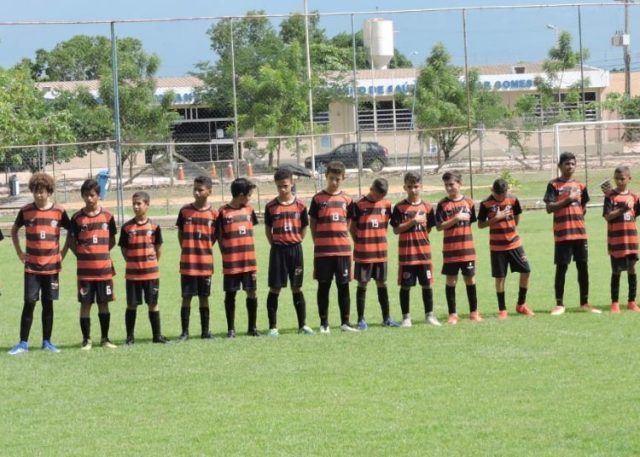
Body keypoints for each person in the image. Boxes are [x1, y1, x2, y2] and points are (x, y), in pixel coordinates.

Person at [8, 172, 70, 355]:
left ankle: (47, 342)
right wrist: (20, 252)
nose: (38, 195)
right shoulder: (26, 211)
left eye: (42, 191)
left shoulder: (59, 211)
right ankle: (23, 343)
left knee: (48, 303)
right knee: (29, 302)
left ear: (49, 191)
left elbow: (71, 233)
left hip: (51, 267)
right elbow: (13, 231)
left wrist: (62, 254)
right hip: (32, 267)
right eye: (35, 191)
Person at [544, 152, 600, 315]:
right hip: (563, 234)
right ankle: (559, 304)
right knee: (562, 268)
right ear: (560, 166)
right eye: (567, 164)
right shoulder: (553, 185)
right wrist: (568, 200)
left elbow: (583, 208)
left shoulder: (581, 186)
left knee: (583, 267)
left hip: (580, 234)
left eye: (573, 164)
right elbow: (549, 208)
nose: (570, 166)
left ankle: (584, 302)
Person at [309, 160, 358, 333]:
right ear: (326, 177)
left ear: (343, 178)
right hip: (323, 252)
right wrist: (319, 243)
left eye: (337, 179)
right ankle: (324, 324)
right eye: (331, 178)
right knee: (324, 286)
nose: (334, 182)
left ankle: (345, 323)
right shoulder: (317, 199)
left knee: (343, 285)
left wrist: (341, 239)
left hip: (343, 251)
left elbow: (348, 223)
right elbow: (313, 224)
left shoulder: (348, 199)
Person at [69, 179, 118, 350]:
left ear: (98, 196)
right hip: (85, 271)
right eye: (86, 195)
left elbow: (111, 241)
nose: (89, 199)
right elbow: (71, 242)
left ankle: (105, 339)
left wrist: (101, 252)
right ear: (82, 196)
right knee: (86, 304)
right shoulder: (76, 218)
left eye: (92, 195)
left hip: (104, 270)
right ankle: (86, 340)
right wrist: (83, 255)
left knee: (103, 303)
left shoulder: (108, 216)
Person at [264, 168, 314, 336]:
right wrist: (276, 244)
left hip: (295, 250)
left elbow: (305, 226)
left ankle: (302, 325)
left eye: (285, 185)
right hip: (278, 251)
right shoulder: (270, 206)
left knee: (296, 287)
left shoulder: (300, 206)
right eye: (279, 186)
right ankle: (273, 327)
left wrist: (297, 240)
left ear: (292, 183)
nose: (282, 189)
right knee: (275, 288)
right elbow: (267, 230)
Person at [478, 178, 534, 319]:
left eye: (503, 194)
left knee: (526, 270)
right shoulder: (485, 203)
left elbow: (516, 218)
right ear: (492, 191)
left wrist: (511, 230)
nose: (501, 197)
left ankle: (521, 304)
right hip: (497, 247)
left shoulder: (513, 200)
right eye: (498, 194)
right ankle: (502, 309)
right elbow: (480, 225)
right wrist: (496, 219)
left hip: (514, 243)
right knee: (500, 277)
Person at [119, 191, 169, 345]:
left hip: (150, 273)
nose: (135, 206)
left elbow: (158, 247)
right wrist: (133, 262)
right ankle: (129, 337)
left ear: (147, 205)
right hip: (133, 274)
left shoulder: (154, 226)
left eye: (139, 203)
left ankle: (157, 336)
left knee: (153, 303)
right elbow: (124, 249)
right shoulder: (127, 227)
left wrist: (152, 264)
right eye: (133, 203)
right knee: (131, 304)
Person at [390, 172, 439, 327]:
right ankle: (406, 318)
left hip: (423, 254)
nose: (413, 190)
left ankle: (429, 316)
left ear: (421, 187)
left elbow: (428, 229)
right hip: (407, 255)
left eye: (416, 186)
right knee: (405, 286)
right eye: (410, 187)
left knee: (427, 284)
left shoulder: (428, 207)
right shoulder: (399, 207)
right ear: (405, 187)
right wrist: (412, 222)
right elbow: (396, 230)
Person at [351, 177, 399, 330]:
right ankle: (360, 320)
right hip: (364, 252)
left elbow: (387, 225)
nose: (380, 198)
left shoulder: (386, 205)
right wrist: (360, 241)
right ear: (371, 189)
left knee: (382, 283)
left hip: (380, 252)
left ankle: (386, 318)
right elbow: (352, 227)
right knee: (362, 283)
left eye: (382, 196)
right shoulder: (359, 205)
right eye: (378, 195)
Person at [176, 176, 218, 341]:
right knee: (186, 297)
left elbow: (214, 237)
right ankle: (185, 332)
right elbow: (181, 234)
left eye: (200, 189)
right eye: (195, 189)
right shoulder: (185, 211)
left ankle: (205, 332)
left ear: (209, 191)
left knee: (204, 297)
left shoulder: (214, 213)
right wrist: (188, 248)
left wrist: (204, 248)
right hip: (188, 263)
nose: (196, 192)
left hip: (205, 263)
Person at [217, 178, 260, 338]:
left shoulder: (249, 210)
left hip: (249, 261)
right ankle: (231, 329)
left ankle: (252, 328)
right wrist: (226, 255)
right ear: (241, 195)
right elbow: (220, 238)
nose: (250, 198)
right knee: (230, 294)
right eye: (249, 195)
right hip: (231, 263)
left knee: (252, 293)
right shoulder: (222, 212)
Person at [436, 170, 480, 324]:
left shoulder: (469, 202)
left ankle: (474, 312)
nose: (449, 188)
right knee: (451, 281)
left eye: (451, 184)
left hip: (467, 249)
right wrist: (456, 218)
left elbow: (472, 221)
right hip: (450, 250)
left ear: (460, 184)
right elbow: (439, 227)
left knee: (470, 279)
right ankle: (452, 314)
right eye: (446, 185)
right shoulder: (442, 204)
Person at [602, 166, 640, 313]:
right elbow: (607, 216)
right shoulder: (610, 197)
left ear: (629, 179)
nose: (619, 181)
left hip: (631, 240)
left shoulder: (633, 197)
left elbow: (634, 214)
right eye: (617, 178)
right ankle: (615, 303)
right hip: (616, 241)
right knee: (616, 271)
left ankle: (631, 301)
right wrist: (623, 208)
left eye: (622, 178)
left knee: (632, 268)